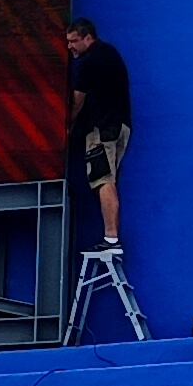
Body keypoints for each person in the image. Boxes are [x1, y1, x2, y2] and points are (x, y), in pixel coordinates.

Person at [65, 19, 133, 250]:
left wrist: (69, 127)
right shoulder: (110, 53)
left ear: (88, 38)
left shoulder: (88, 62)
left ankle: (110, 238)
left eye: (74, 41)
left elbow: (77, 101)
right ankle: (112, 236)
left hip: (101, 129)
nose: (70, 47)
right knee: (109, 179)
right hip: (121, 126)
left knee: (103, 180)